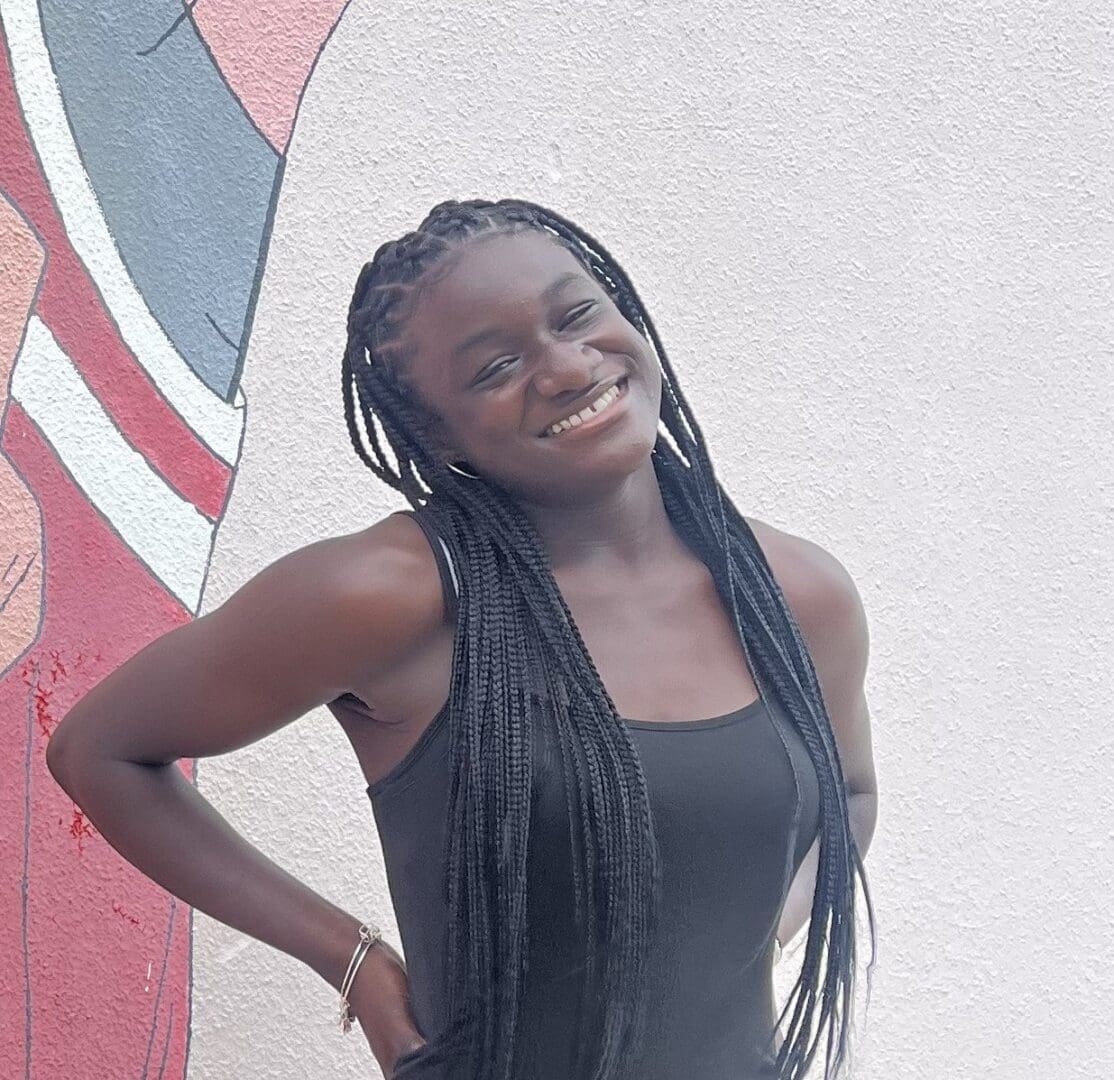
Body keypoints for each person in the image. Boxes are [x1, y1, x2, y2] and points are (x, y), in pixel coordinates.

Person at [47, 198, 878, 1080]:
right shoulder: (391, 598)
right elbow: (101, 751)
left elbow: (850, 796)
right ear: (438, 434)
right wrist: (352, 961)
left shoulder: (791, 594)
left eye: (577, 315)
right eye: (496, 367)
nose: (565, 368)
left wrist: (740, 940)